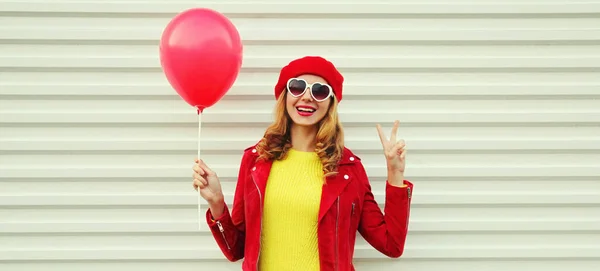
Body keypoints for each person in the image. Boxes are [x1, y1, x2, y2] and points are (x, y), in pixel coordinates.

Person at [192, 56, 413, 271]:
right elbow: (236, 249)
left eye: (319, 91)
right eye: (297, 87)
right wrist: (217, 203)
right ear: (285, 96)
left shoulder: (348, 169)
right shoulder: (255, 161)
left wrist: (395, 173)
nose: (307, 97)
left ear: (330, 103)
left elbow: (391, 245)